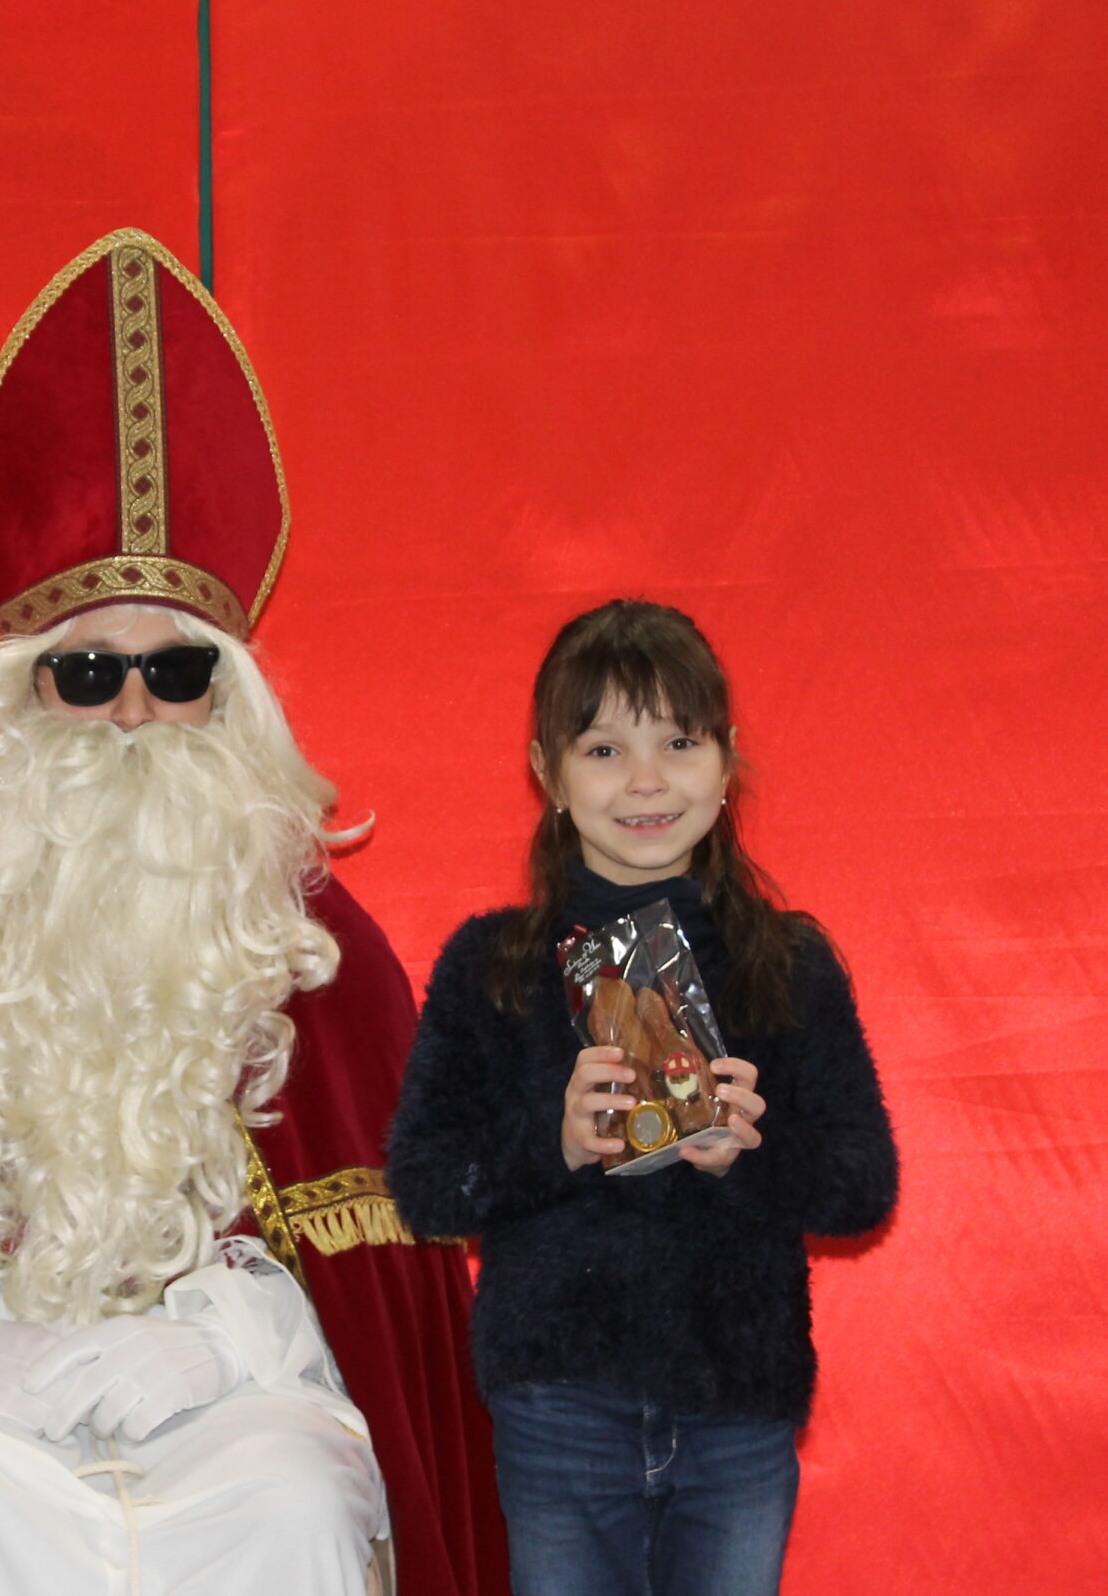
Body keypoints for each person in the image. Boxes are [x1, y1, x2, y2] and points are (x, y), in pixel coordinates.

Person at [0, 230, 493, 1596]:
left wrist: (222, 1344)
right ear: (21, 694)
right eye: (90, 672)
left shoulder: (312, 947)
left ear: (228, 700)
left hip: (235, 1392)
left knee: (292, 1494)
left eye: (174, 674)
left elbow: (386, 1309)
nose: (130, 713)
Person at [386, 599, 897, 1596]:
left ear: (727, 759)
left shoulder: (788, 963)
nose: (647, 780)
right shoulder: (491, 965)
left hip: (738, 1401)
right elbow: (424, 1183)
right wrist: (556, 1141)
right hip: (557, 1402)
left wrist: (753, 1151)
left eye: (679, 742)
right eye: (604, 750)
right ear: (547, 773)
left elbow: (863, 1186)